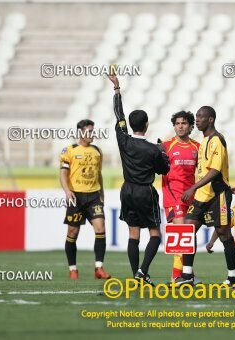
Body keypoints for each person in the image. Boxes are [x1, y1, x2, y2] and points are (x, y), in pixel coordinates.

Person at [108, 74, 170, 286]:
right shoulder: (153, 149)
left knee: (133, 234)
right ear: (147, 124)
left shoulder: (123, 140)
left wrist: (117, 90)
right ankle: (142, 271)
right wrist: (163, 153)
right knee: (155, 234)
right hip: (145, 191)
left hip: (127, 190)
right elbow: (165, 170)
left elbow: (119, 115)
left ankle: (137, 275)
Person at [175, 106, 235, 287]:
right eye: (197, 117)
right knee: (187, 230)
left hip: (217, 195)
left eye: (201, 117)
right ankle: (187, 275)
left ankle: (232, 278)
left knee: (223, 233)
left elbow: (215, 170)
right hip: (202, 196)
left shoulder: (216, 140)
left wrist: (192, 188)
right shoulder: (204, 141)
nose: (197, 120)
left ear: (211, 119)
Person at [60, 119, 111, 280]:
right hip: (76, 196)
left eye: (92, 131)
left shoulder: (97, 151)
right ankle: (73, 269)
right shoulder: (69, 150)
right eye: (89, 131)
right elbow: (62, 173)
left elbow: (99, 173)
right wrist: (67, 191)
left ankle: (99, 268)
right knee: (73, 232)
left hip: (94, 196)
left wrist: (101, 192)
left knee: (100, 227)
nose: (92, 134)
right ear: (80, 132)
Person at [160, 111, 201, 283]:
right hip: (173, 196)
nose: (180, 126)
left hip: (191, 197)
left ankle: (186, 273)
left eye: (184, 123)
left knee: (189, 235)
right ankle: (177, 275)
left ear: (191, 126)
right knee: (183, 232)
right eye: (177, 123)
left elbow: (205, 172)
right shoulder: (166, 146)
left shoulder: (197, 147)